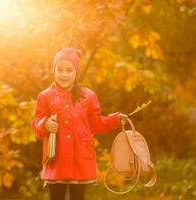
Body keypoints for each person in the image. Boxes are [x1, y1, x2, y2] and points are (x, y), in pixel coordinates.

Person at [32, 47, 127, 200]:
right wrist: (45, 124)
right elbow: (37, 122)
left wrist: (114, 120)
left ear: (76, 72)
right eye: (60, 70)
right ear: (54, 71)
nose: (64, 74)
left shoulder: (88, 96)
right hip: (57, 157)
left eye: (69, 70)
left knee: (78, 196)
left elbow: (96, 124)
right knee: (56, 196)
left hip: (80, 156)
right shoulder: (45, 96)